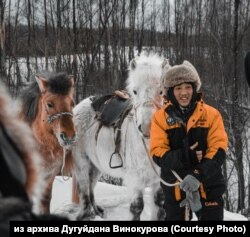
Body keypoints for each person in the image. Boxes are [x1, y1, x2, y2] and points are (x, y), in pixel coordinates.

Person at [150, 60, 228, 221]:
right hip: (175, 190)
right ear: (170, 91)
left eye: (188, 87)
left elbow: (219, 150)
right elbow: (158, 153)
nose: (184, 92)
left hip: (209, 186)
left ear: (194, 88)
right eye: (178, 88)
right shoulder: (160, 118)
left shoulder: (212, 115)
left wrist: (197, 174)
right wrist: (185, 156)